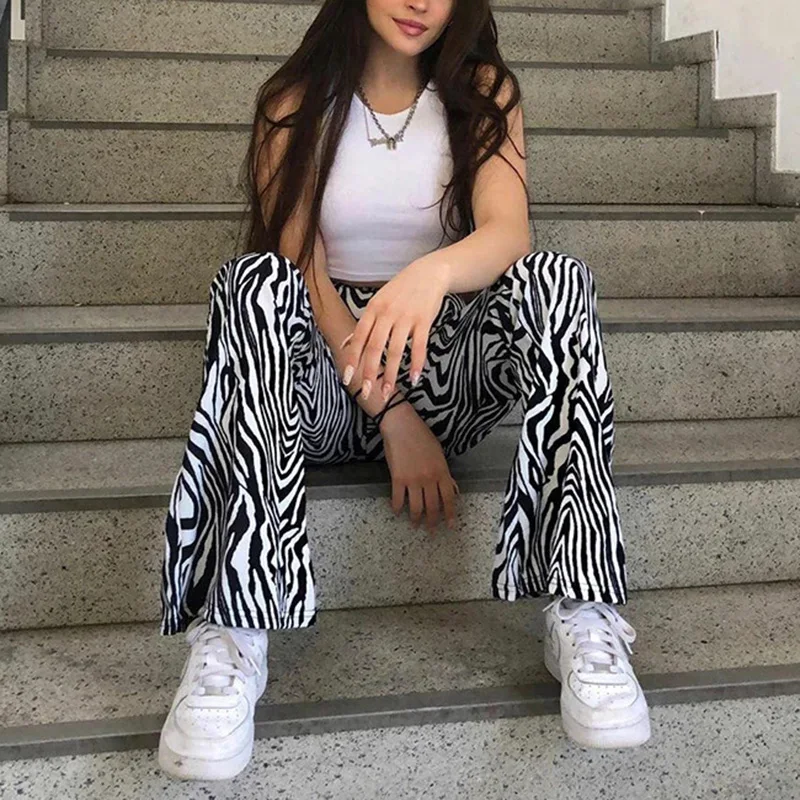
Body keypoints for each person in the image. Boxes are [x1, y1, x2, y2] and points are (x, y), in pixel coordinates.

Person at [156, 0, 651, 782]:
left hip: (441, 361)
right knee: (253, 282)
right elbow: (299, 266)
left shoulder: (484, 91)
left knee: (558, 279)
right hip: (322, 373)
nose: (421, 2)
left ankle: (583, 607)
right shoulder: (294, 100)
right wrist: (391, 414)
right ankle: (234, 626)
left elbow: (507, 232)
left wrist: (431, 274)